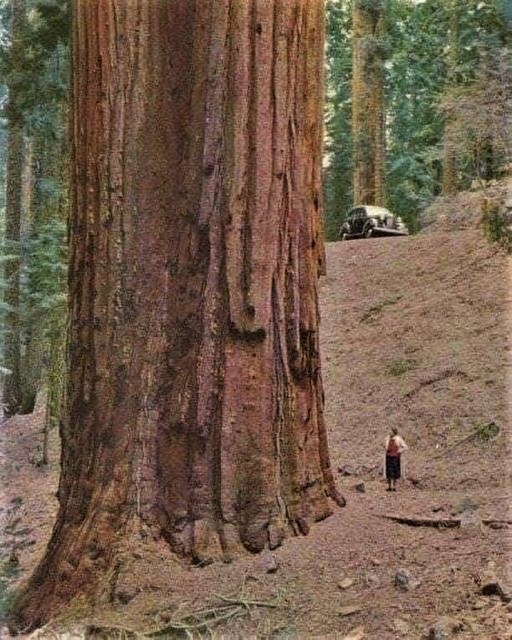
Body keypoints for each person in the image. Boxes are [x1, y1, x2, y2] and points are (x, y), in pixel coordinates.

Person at [384, 427, 408, 491]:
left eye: (391, 431)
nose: (389, 432)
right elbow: (386, 446)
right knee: (389, 471)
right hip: (389, 456)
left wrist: (399, 451)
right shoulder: (387, 438)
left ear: (394, 432)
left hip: (395, 457)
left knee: (395, 470)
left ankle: (394, 486)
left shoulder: (398, 439)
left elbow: (405, 447)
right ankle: (389, 486)